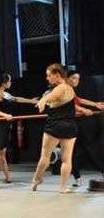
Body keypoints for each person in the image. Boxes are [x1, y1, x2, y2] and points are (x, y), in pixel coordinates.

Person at [30, 64, 78, 193]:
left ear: (57, 75)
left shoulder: (60, 87)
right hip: (70, 126)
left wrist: (41, 102)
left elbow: (48, 97)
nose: (47, 78)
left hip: (55, 126)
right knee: (67, 159)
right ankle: (63, 187)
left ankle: (36, 179)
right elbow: (74, 106)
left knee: (45, 157)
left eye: (49, 75)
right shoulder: (70, 88)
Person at [0, 71, 37, 183]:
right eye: (9, 80)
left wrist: (31, 101)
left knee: (1, 151)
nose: (11, 82)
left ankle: (6, 177)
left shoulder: (6, 94)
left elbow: (17, 99)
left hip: (4, 125)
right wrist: (6, 115)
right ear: (4, 83)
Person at [66, 70, 104, 187]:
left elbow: (79, 100)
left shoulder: (70, 89)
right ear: (67, 78)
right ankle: (77, 178)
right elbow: (70, 104)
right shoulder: (64, 89)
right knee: (72, 153)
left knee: (83, 149)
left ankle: (79, 178)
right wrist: (84, 110)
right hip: (66, 125)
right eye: (73, 78)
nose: (76, 81)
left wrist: (95, 104)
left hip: (74, 124)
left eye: (78, 79)